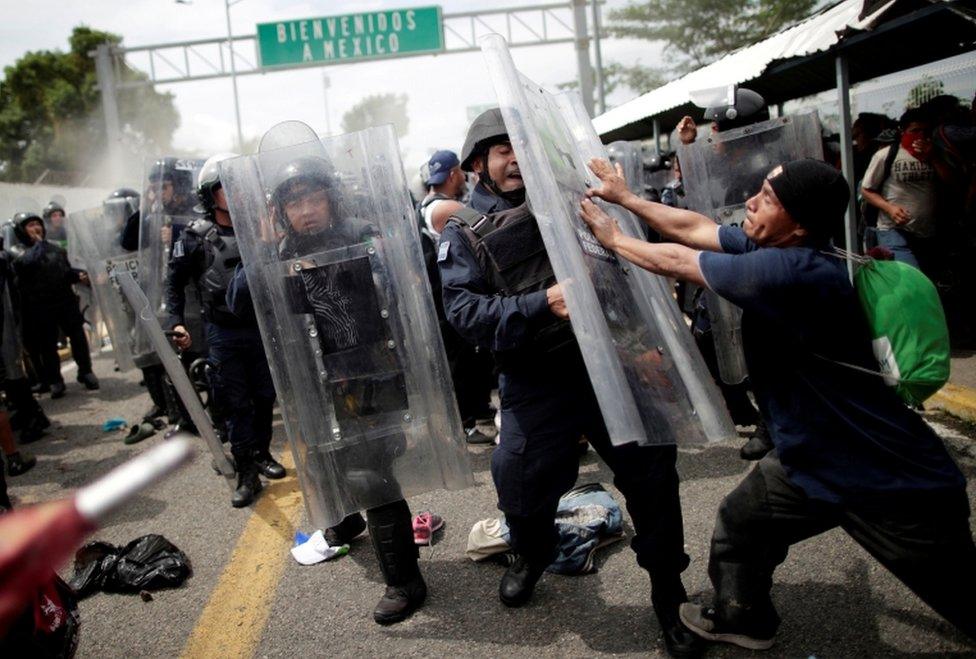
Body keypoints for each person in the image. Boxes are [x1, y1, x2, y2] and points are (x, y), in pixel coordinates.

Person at [579, 156, 976, 648]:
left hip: (886, 476)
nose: (751, 201)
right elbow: (697, 230)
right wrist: (628, 199)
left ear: (800, 224)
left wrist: (614, 239)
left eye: (768, 199)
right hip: (810, 455)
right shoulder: (783, 246)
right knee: (742, 524)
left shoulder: (791, 270)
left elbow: (681, 261)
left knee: (962, 595)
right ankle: (743, 617)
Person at [439, 109, 699, 657]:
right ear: (480, 163)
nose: (514, 159)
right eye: (502, 149)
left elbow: (632, 267)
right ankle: (531, 553)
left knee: (653, 479)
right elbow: (465, 313)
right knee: (521, 485)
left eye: (521, 147)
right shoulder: (463, 231)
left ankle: (668, 594)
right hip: (536, 380)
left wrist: (648, 337)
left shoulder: (579, 201)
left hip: (614, 366)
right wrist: (542, 303)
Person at [228, 153, 428, 625]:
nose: (306, 210)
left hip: (367, 376)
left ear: (330, 197)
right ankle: (347, 523)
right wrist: (258, 251)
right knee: (330, 464)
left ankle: (404, 580)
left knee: (370, 476)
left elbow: (405, 286)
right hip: (312, 385)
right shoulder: (278, 251)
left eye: (313, 197)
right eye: (293, 202)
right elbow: (239, 302)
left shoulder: (361, 234)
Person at [166, 153, 284, 508]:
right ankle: (246, 470)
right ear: (209, 194)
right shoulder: (195, 237)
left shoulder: (261, 230)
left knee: (264, 396)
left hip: (261, 329)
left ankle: (262, 453)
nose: (234, 194)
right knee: (235, 403)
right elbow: (174, 283)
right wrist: (176, 322)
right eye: (224, 188)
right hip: (223, 333)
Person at [675, 88, 773, 460]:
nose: (711, 134)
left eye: (715, 127)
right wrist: (689, 148)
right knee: (705, 337)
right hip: (722, 261)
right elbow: (696, 196)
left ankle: (770, 424)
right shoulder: (723, 166)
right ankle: (738, 405)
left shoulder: (763, 166)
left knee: (764, 348)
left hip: (757, 265)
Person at [417, 150, 494, 445]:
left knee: (469, 360)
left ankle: (476, 410)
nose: (464, 178)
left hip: (449, 294)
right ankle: (464, 424)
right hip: (449, 297)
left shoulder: (430, 203)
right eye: (462, 173)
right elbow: (487, 221)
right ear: (452, 175)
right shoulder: (443, 207)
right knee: (460, 362)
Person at [10, 212, 98, 398]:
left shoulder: (55, 248)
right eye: (30, 225)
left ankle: (86, 371)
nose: (36, 228)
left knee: (78, 336)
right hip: (40, 306)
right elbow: (26, 263)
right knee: (47, 345)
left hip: (64, 300)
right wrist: (39, 244)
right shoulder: (17, 251)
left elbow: (64, 271)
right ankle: (56, 380)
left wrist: (79, 276)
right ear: (21, 230)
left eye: (37, 224)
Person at [862, 108, 938, 274]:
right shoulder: (887, 154)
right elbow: (866, 190)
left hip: (927, 233)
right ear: (902, 131)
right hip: (894, 230)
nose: (920, 135)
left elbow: (954, 183)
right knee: (911, 277)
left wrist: (933, 157)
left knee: (926, 281)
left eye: (924, 131)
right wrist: (890, 208)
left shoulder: (935, 154)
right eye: (914, 130)